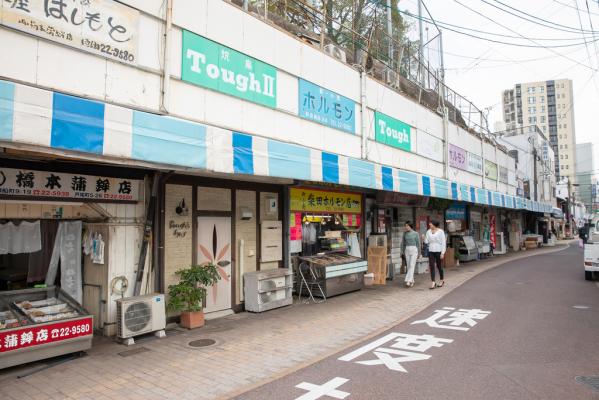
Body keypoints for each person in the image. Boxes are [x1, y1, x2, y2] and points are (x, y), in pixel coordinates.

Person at [424, 220, 446, 289]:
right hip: (431, 250)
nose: (429, 225)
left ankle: (441, 280)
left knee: (439, 266)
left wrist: (442, 253)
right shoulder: (428, 231)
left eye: (430, 224)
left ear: (434, 224)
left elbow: (443, 242)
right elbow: (426, 241)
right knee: (431, 266)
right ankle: (433, 282)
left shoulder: (440, 231)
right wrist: (424, 238)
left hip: (438, 250)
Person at [401, 221, 420, 287]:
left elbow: (418, 244)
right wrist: (402, 251)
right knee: (409, 266)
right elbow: (402, 243)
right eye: (405, 226)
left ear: (410, 226)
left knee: (412, 265)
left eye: (407, 226)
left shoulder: (416, 233)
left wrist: (419, 253)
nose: (406, 227)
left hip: (414, 250)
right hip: (407, 249)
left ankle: (408, 280)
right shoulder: (405, 234)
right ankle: (412, 280)